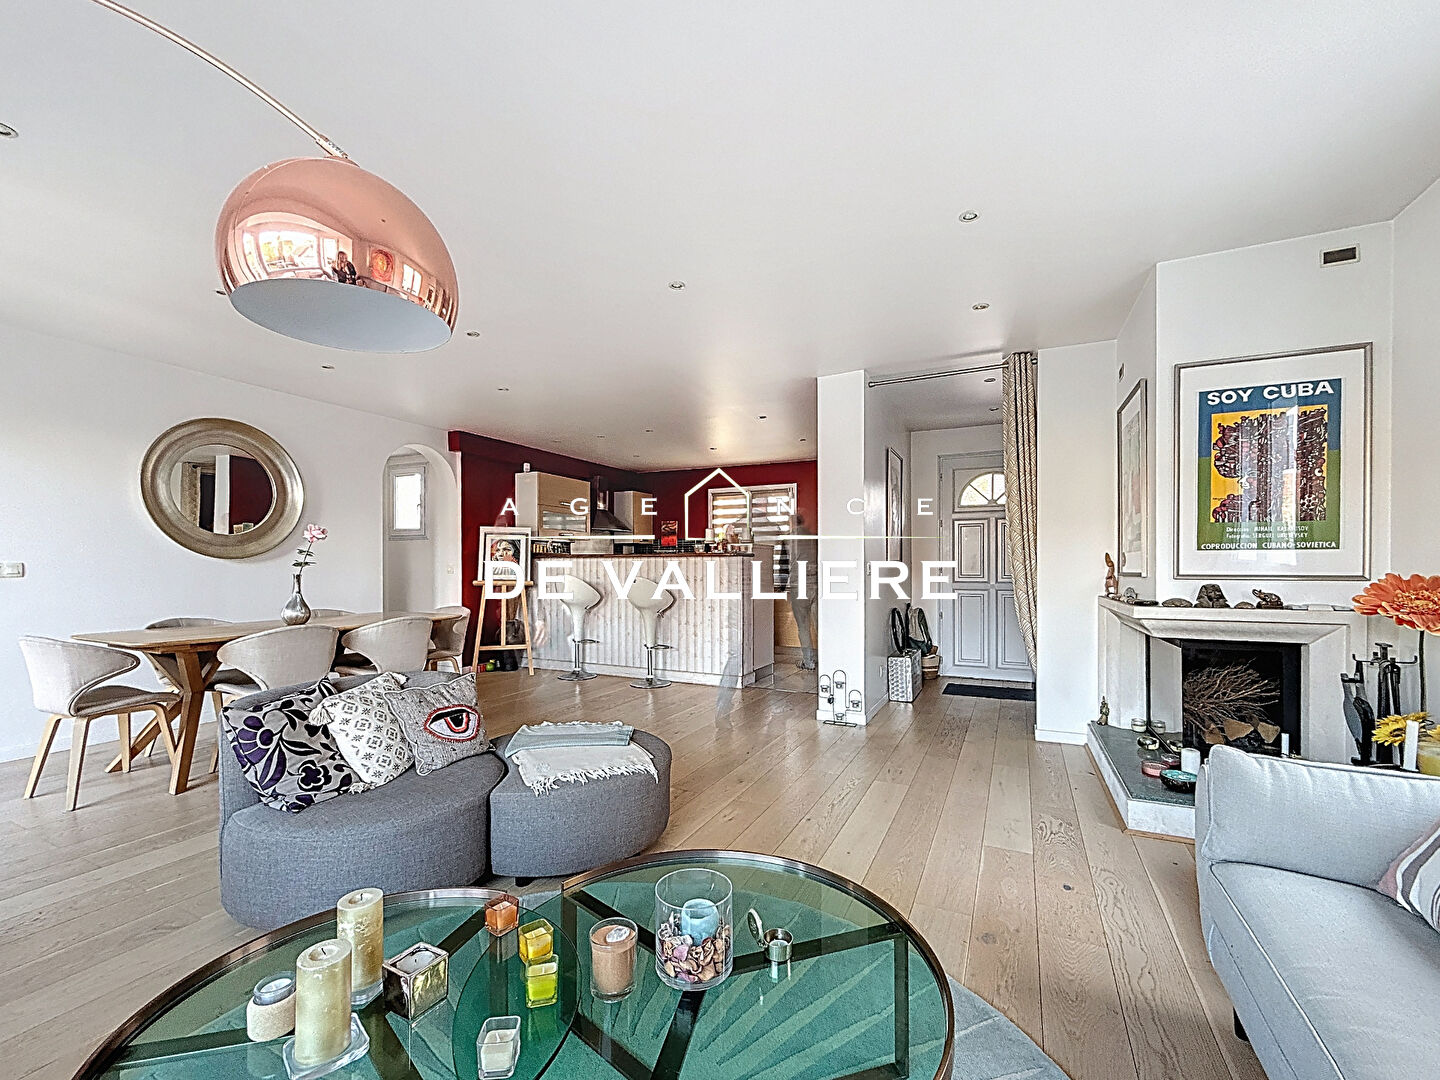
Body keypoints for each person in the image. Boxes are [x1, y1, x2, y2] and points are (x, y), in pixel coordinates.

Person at [786, 512, 819, 670]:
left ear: (792, 523)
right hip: (816, 583)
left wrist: (782, 587)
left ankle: (808, 661)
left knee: (803, 626)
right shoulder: (814, 538)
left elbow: (784, 564)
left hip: (798, 584)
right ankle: (828, 659)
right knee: (820, 625)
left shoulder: (788, 539)